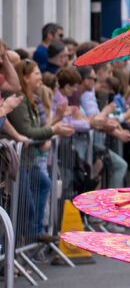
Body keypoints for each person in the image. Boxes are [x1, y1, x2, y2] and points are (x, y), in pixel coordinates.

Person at [7, 60, 74, 242]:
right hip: (18, 159)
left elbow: (37, 129)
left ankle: (34, 234)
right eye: (36, 74)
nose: (40, 78)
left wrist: (54, 125)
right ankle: (19, 244)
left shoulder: (31, 99)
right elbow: (27, 131)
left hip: (29, 159)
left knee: (44, 184)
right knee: (23, 205)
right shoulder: (19, 101)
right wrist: (53, 130)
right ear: (25, 78)